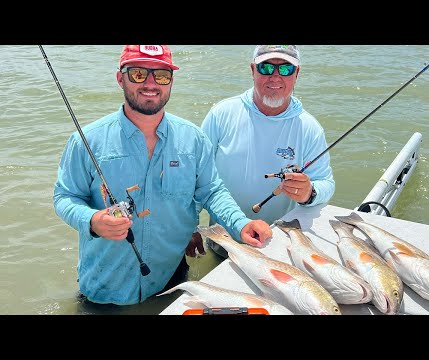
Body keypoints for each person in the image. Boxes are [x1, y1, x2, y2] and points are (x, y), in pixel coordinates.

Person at [53, 45, 272, 306]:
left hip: (171, 281)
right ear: (120, 78)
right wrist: (92, 220)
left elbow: (211, 191)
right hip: (104, 287)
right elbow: (65, 197)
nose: (150, 83)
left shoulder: (194, 140)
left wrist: (241, 224)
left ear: (171, 82)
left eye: (161, 75)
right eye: (138, 74)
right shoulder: (85, 141)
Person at [190, 45, 335, 258]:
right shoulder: (221, 114)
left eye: (285, 69)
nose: (275, 77)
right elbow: (194, 176)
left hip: (279, 241)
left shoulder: (309, 128)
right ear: (252, 70)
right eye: (266, 67)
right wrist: (190, 226)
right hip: (224, 238)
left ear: (297, 74)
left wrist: (310, 192)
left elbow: (326, 183)